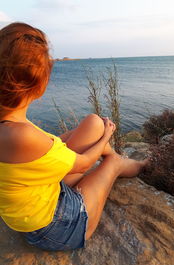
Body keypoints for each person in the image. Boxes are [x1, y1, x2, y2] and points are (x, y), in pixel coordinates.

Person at [0, 22, 147, 251]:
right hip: (54, 229)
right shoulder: (21, 135)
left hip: (42, 192)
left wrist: (96, 130)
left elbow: (48, 150)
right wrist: (106, 134)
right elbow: (84, 164)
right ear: (38, 84)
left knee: (92, 122)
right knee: (112, 162)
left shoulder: (11, 125)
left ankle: (125, 158)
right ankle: (133, 164)